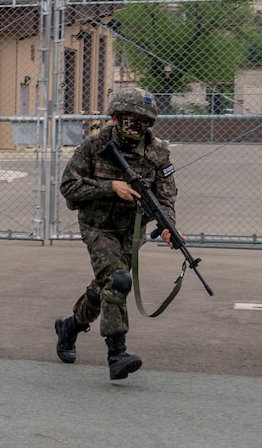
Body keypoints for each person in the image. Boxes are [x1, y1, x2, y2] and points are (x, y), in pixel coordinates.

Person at [56, 86, 179, 380]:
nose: (138, 126)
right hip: (97, 226)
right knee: (119, 280)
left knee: (105, 288)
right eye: (132, 119)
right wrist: (110, 187)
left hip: (129, 231)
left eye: (145, 120)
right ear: (116, 117)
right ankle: (117, 353)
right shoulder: (94, 146)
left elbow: (166, 197)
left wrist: (168, 226)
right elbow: (69, 187)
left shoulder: (158, 151)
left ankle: (70, 326)